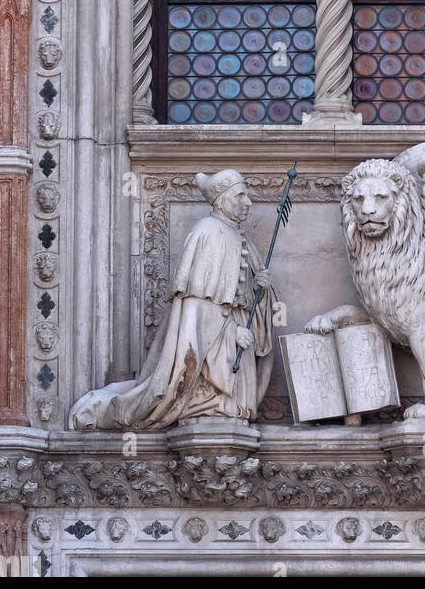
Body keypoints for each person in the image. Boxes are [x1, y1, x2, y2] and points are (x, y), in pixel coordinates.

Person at [69, 169, 276, 429]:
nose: (248, 203)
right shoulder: (207, 233)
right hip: (219, 343)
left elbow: (244, 299)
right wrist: (231, 333)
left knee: (233, 410)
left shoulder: (238, 235)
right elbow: (198, 308)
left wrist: (262, 289)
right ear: (223, 199)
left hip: (236, 343)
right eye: (241, 196)